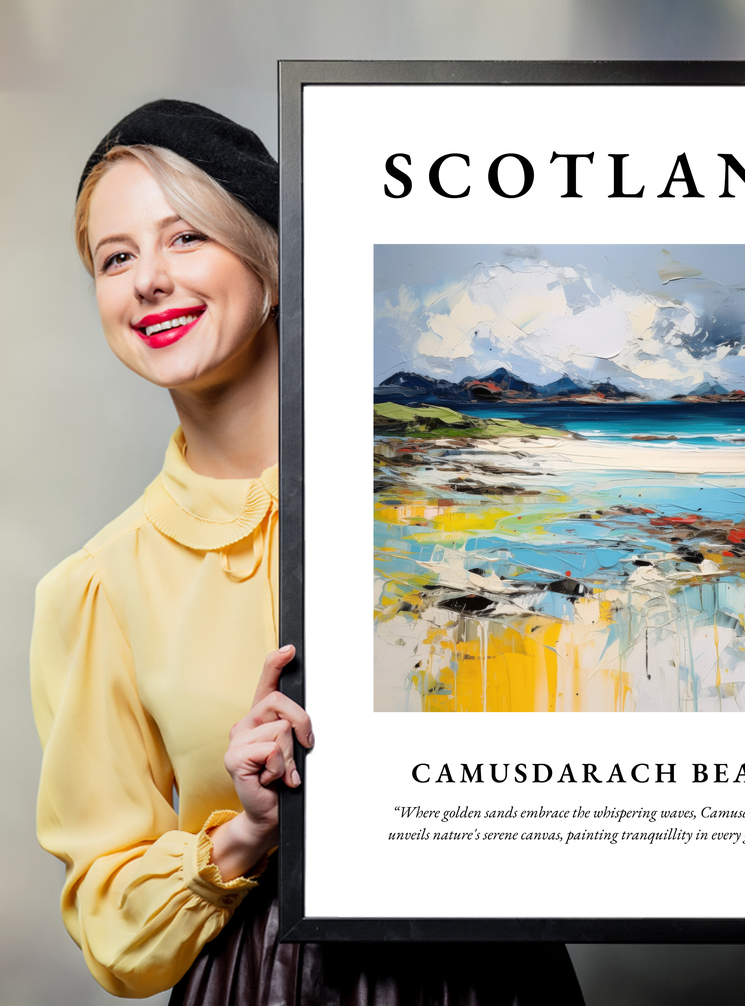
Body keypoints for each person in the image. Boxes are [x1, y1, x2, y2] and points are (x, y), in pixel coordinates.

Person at [30, 100, 585, 1004]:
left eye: (185, 239)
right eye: (116, 257)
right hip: (262, 982)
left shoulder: (446, 499)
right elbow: (110, 924)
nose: (148, 281)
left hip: (493, 973)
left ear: (273, 264)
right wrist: (245, 832)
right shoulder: (97, 587)